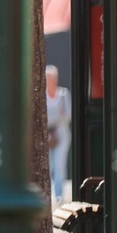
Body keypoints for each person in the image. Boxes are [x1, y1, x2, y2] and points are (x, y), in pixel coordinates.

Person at [46, 65, 72, 199]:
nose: (51, 81)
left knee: (60, 164)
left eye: (53, 78)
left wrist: (53, 118)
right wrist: (58, 117)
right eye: (49, 78)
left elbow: (68, 116)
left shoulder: (63, 94)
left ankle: (59, 195)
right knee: (48, 164)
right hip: (47, 137)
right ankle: (48, 194)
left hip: (62, 135)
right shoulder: (42, 96)